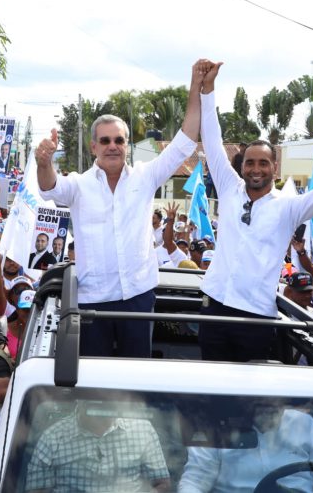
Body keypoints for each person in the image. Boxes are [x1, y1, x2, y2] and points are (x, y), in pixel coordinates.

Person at [34, 61, 202, 358]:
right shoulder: (78, 185)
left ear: (127, 146)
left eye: (119, 140)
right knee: (94, 379)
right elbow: (49, 188)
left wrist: (196, 85)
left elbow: (185, 142)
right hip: (92, 302)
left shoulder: (146, 176)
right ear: (93, 147)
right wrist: (44, 162)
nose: (112, 146)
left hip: (138, 298)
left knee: (136, 378)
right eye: (105, 140)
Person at [196, 60, 313, 362]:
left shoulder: (288, 207)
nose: (256, 169)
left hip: (256, 316)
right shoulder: (229, 188)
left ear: (275, 168)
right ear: (241, 166)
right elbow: (213, 139)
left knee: (247, 397)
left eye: (263, 163)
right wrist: (208, 90)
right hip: (214, 305)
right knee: (209, 384)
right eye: (250, 162)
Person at [178, 401, 313, 493]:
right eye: (261, 405)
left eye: (274, 404)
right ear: (246, 402)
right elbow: (195, 481)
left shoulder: (306, 426)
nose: (269, 411)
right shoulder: (219, 427)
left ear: (283, 403)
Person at [25, 401, 170, 492]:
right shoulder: (53, 437)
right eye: (96, 404)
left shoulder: (142, 430)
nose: (103, 411)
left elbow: (161, 483)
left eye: (108, 401)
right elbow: (37, 489)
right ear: (79, 402)